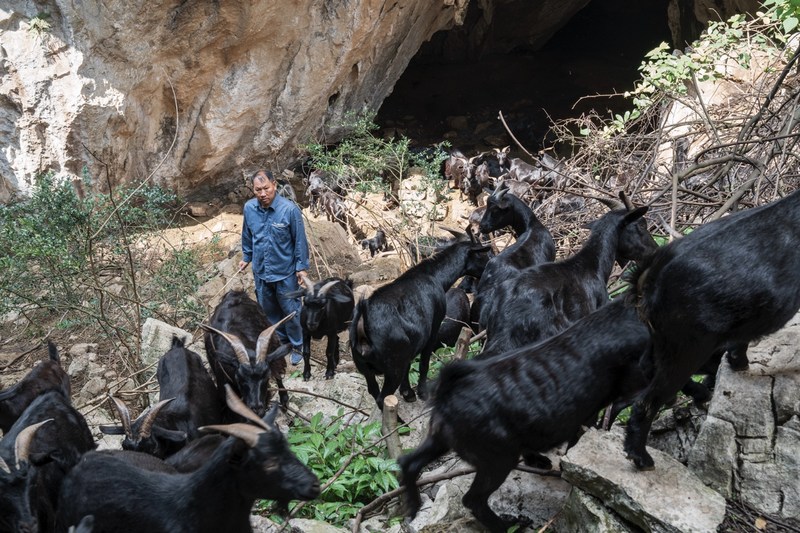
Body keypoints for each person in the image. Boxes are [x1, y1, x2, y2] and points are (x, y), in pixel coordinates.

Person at [239, 169, 309, 365]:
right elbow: (247, 235)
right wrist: (246, 256)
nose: (262, 194)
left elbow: (300, 241)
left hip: (285, 272)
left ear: (275, 185)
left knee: (291, 312)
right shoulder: (249, 209)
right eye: (257, 190)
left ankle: (298, 345)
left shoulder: (289, 210)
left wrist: (301, 267)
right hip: (261, 272)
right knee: (269, 313)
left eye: (266, 188)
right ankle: (281, 343)